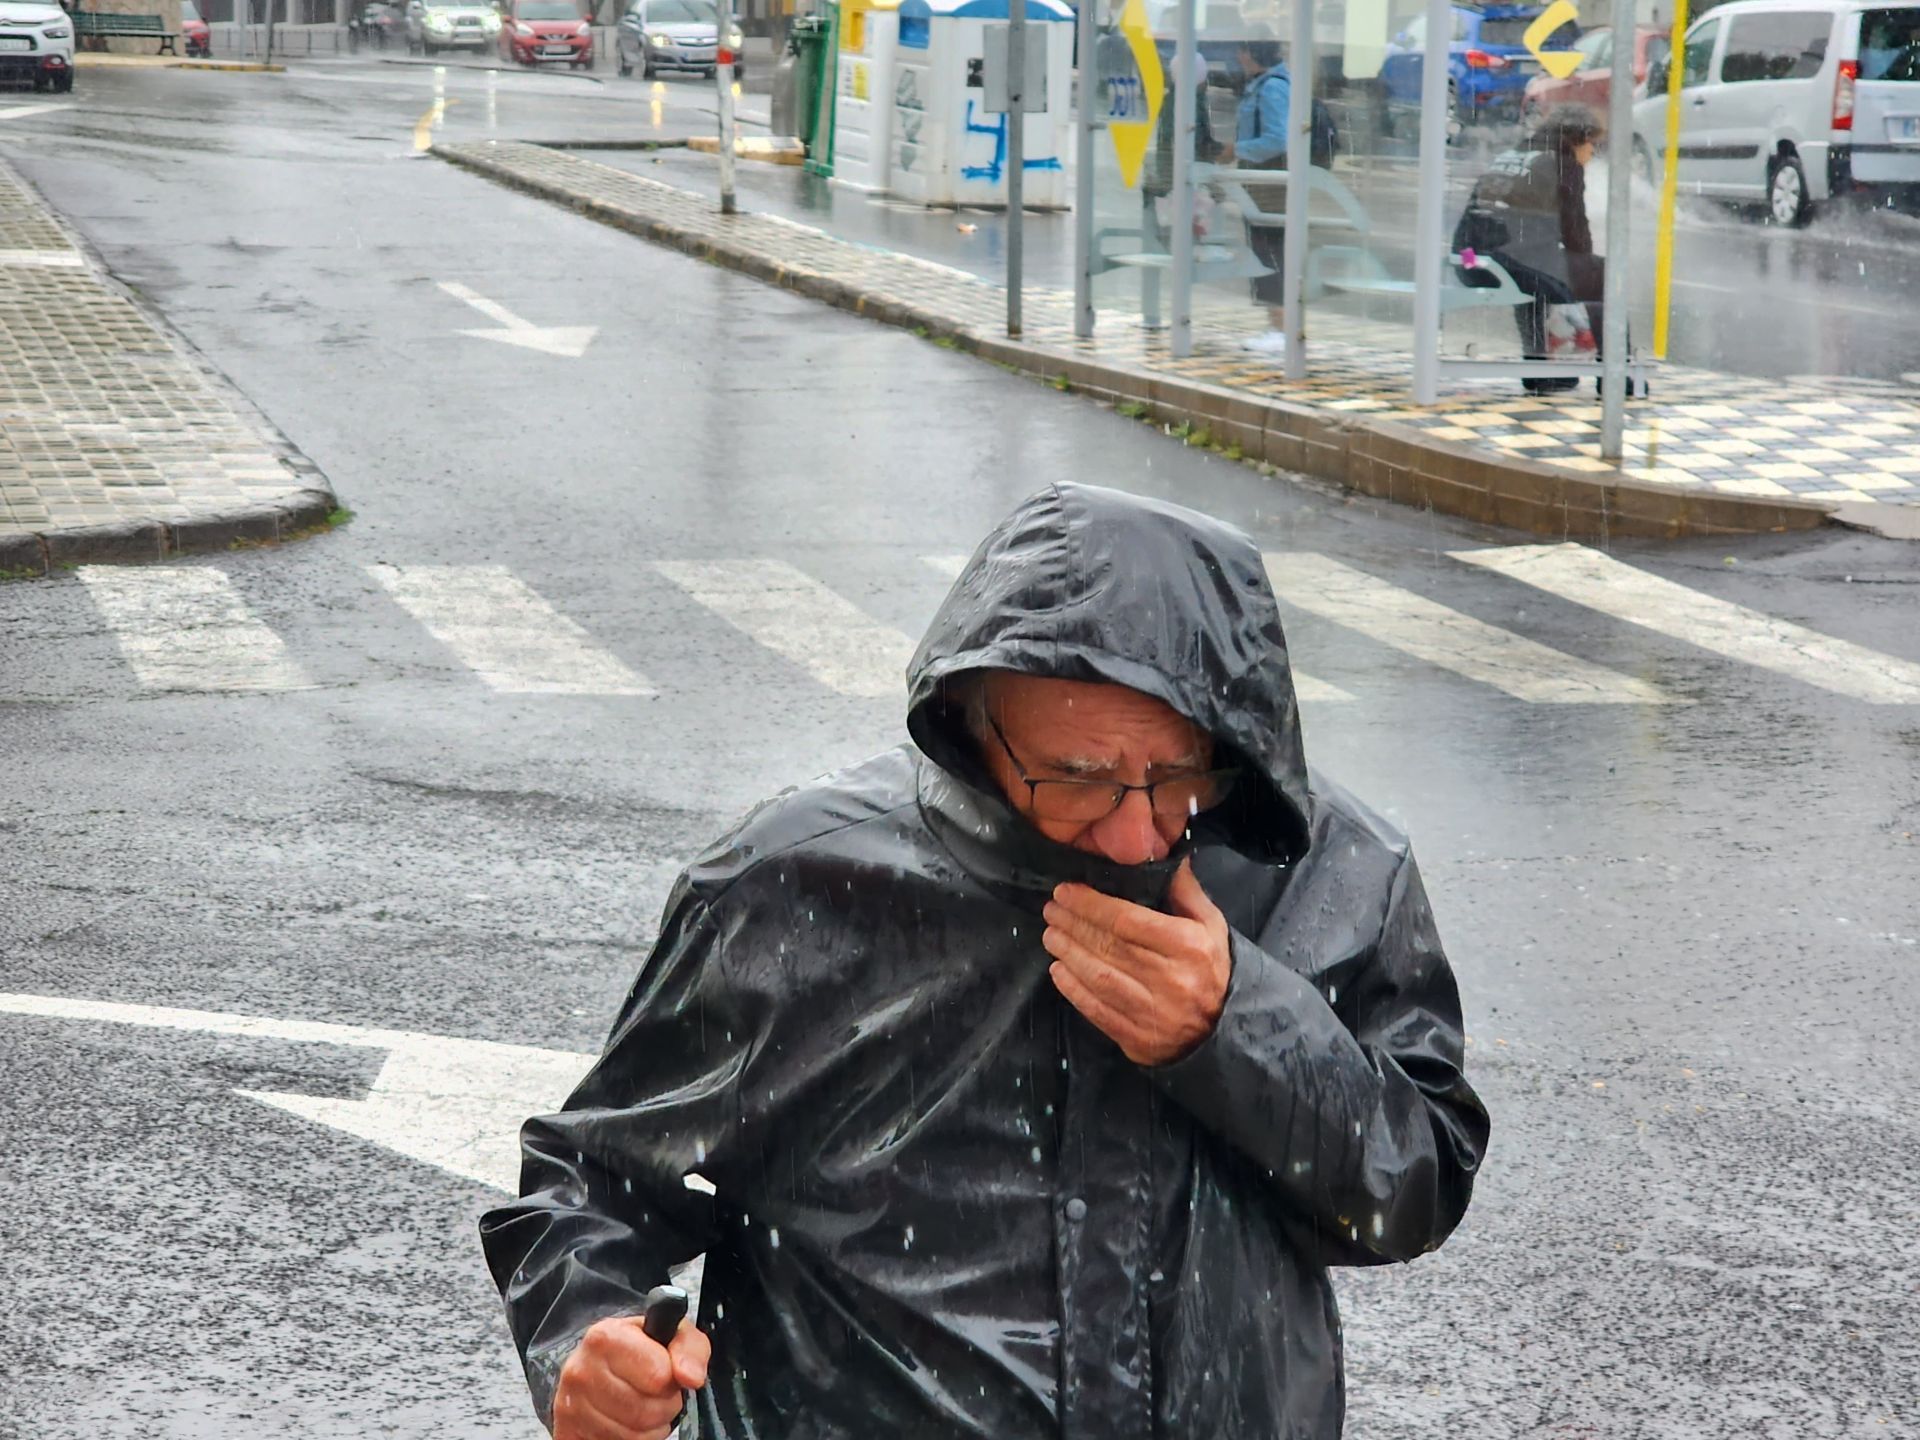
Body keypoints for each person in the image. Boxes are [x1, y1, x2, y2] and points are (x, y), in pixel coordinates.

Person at [481, 483, 1491, 1440]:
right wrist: (587, 1338)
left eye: (1179, 771)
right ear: (971, 728)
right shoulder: (796, 885)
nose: (1139, 834)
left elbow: (1412, 1190)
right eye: (1080, 779)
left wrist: (1239, 1028)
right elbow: (595, 1176)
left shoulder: (1328, 870)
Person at [1453, 105, 1608, 395]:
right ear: (1577, 140)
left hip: (1468, 261)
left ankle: (1538, 369)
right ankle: (1616, 374)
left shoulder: (1514, 154)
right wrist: (1585, 270)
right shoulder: (1563, 162)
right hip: (1507, 261)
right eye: (1592, 145)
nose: (1592, 154)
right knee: (1604, 277)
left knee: (1534, 273)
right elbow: (1577, 235)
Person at [1218, 35, 1294, 354]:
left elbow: (1278, 138)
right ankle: (1277, 324)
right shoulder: (1264, 83)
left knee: (1270, 252)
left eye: (1241, 50)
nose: (1238, 56)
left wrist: (1237, 150)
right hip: (1262, 180)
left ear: (1251, 53)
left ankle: (1281, 328)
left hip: (1271, 182)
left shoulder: (1272, 87)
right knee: (1265, 249)